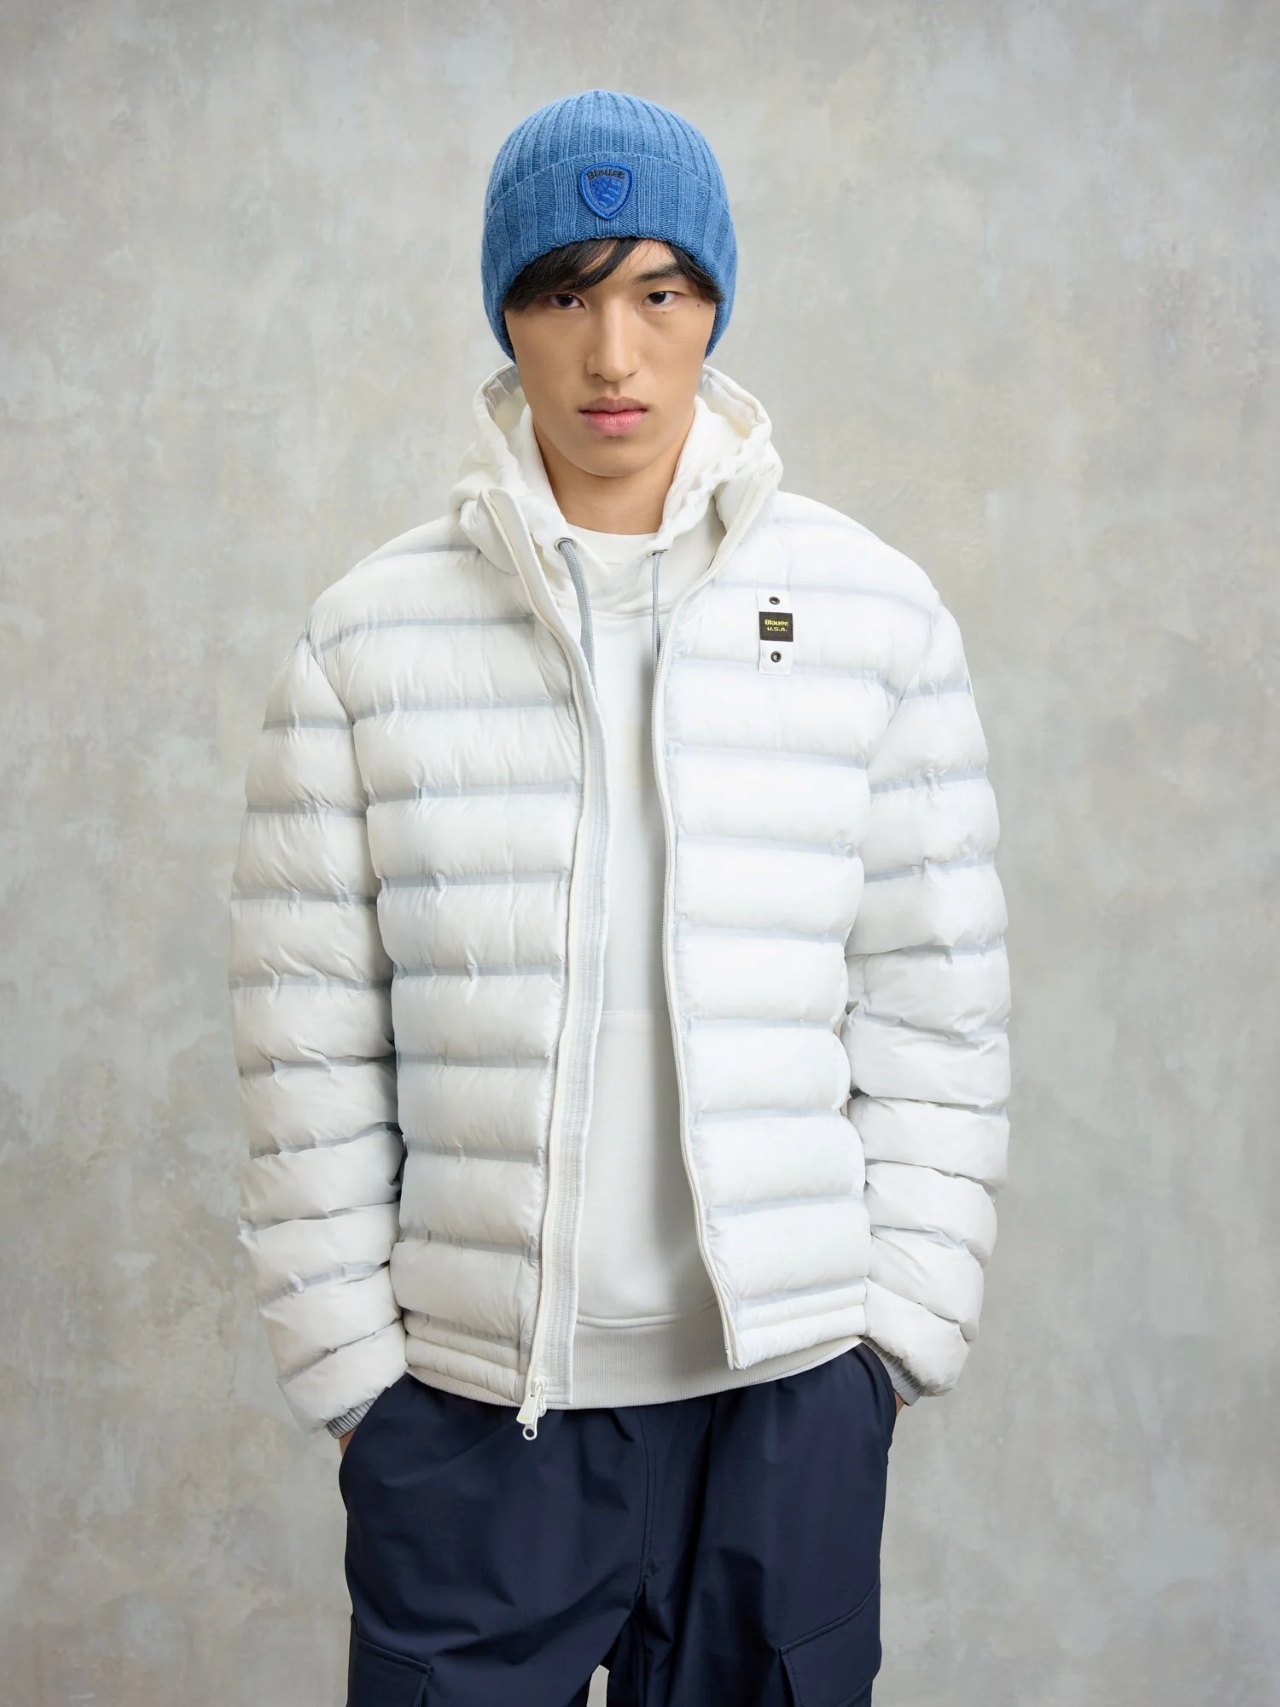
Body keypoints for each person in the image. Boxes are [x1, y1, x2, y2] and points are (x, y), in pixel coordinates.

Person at [227, 88, 1011, 1707]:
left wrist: (893, 1343)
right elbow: (304, 1045)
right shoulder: (367, 639)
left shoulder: (873, 614)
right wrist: (358, 1384)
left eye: (660, 291)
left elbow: (939, 1002)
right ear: (506, 316)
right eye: (564, 293)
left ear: (715, 306)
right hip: (470, 1420)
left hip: (787, 1404)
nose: (613, 353)